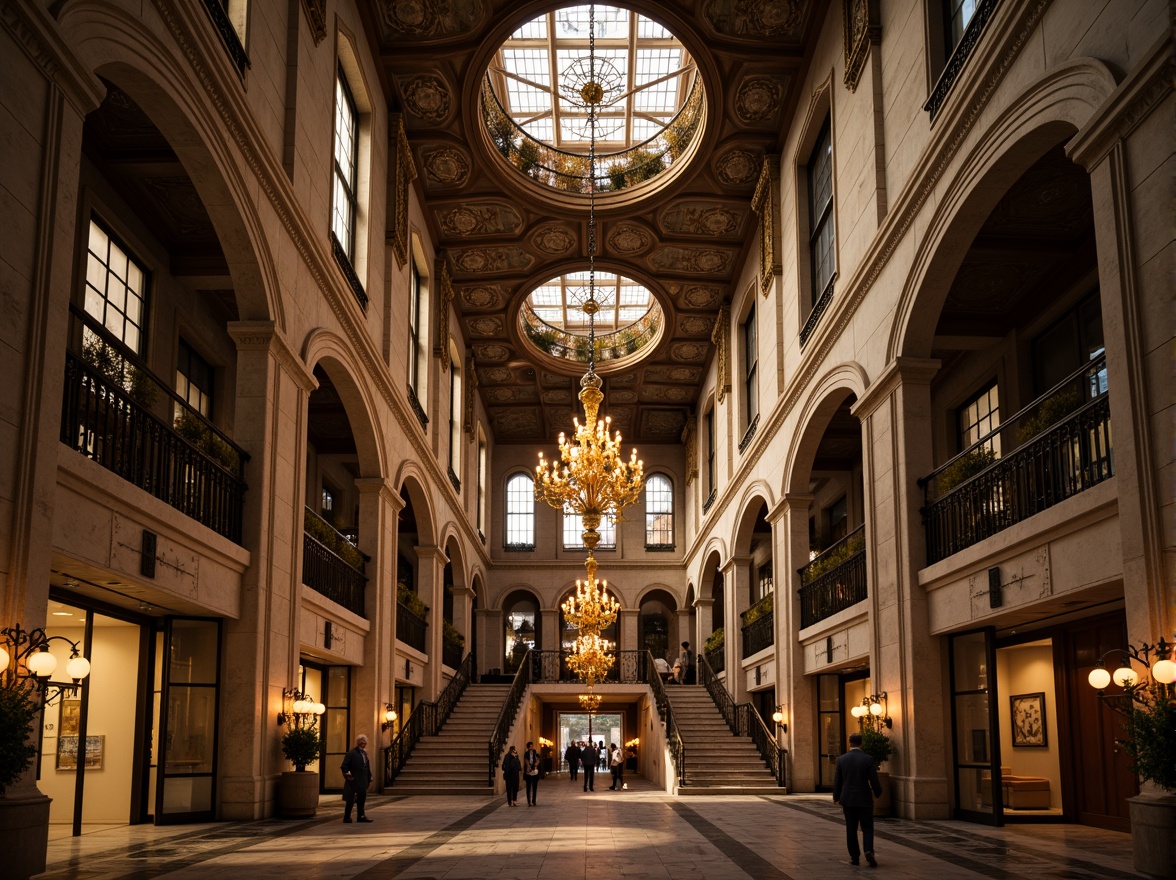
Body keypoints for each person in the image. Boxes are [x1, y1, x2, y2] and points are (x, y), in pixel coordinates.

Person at [833, 732, 883, 867]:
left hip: (848, 798)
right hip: (864, 798)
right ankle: (868, 850)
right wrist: (878, 792)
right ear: (861, 743)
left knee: (851, 827)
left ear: (850, 743)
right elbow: (873, 778)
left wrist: (836, 797)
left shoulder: (842, 759)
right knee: (867, 826)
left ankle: (854, 857)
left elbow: (838, 780)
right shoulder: (867, 759)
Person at [340, 734, 373, 823]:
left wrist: (370, 776)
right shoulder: (351, 753)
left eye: (364, 742)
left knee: (361, 799)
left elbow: (367, 766)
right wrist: (348, 774)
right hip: (354, 780)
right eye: (361, 742)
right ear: (358, 743)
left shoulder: (364, 753)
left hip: (363, 780)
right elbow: (344, 766)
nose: (363, 744)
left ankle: (361, 816)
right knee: (350, 800)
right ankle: (347, 817)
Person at [523, 741, 542, 806]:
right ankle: (529, 801)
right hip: (528, 773)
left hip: (534, 772)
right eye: (530, 746)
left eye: (532, 746)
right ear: (528, 747)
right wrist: (528, 766)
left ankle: (534, 800)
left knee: (534, 787)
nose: (531, 748)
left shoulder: (535, 752)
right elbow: (526, 760)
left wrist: (537, 762)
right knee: (528, 787)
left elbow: (538, 759)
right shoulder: (526, 754)